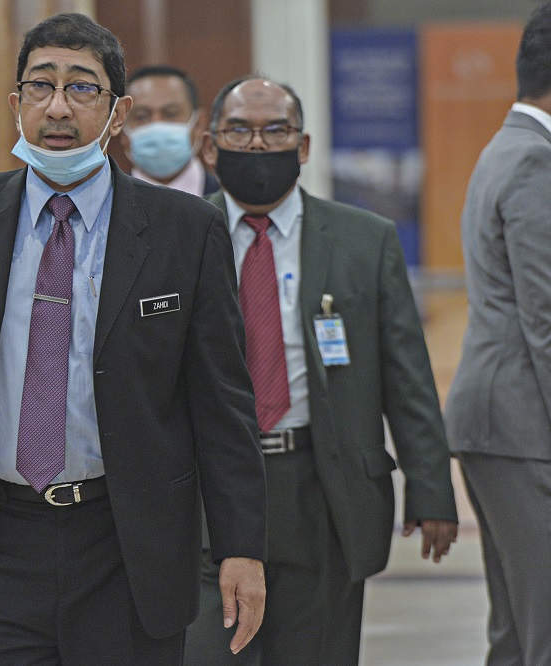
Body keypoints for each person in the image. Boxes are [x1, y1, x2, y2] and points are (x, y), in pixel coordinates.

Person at [0, 13, 266, 665]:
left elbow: (222, 403)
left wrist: (241, 547)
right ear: (16, 104)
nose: (58, 106)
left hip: (126, 543)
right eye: (41, 86)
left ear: (117, 115)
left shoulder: (184, 230)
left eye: (82, 88)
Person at [184, 76, 459, 665]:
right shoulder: (177, 236)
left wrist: (430, 486)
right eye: (240, 130)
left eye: (275, 130)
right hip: (210, 491)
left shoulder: (365, 240)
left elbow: (405, 373)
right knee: (209, 650)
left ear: (303, 146)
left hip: (323, 489)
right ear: (210, 147)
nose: (258, 145)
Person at [445, 4, 551, 663]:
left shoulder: (511, 148)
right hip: (523, 425)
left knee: (517, 631)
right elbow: (546, 320)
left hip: (505, 423)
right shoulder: (534, 163)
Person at [121, 64, 220, 196]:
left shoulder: (230, 201)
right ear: (120, 125)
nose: (156, 125)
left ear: (199, 124)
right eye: (141, 117)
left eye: (171, 114)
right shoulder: (106, 202)